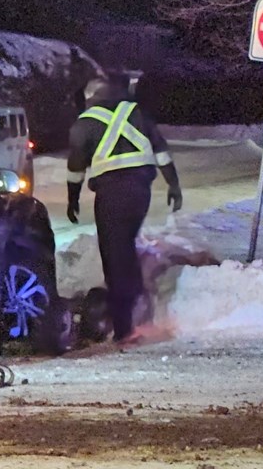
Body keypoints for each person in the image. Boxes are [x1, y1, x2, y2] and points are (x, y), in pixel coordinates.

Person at [66, 77, 182, 344]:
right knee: (126, 246)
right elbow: (161, 152)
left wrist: (73, 199)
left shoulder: (84, 123)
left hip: (111, 195)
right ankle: (135, 303)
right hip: (140, 193)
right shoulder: (136, 113)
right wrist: (173, 185)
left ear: (89, 98)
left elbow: (75, 168)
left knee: (114, 255)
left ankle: (123, 326)